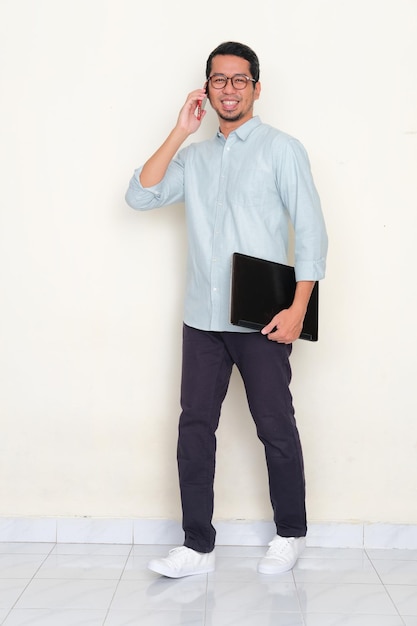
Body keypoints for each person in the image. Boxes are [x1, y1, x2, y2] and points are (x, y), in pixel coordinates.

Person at [125, 41, 328, 578]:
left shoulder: (283, 149)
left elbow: (310, 232)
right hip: (201, 320)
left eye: (240, 80)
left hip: (263, 318)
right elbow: (140, 196)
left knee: (275, 426)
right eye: (220, 80)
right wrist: (179, 132)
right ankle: (196, 546)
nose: (230, 89)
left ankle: (291, 533)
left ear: (257, 89)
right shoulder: (193, 156)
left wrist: (298, 310)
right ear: (207, 90)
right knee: (194, 429)